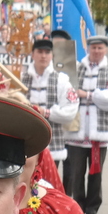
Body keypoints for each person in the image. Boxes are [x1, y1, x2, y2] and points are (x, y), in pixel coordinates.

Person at [63, 36, 108, 214]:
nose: (96, 51)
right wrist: (93, 97)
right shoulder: (76, 68)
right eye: (93, 47)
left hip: (98, 133)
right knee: (76, 172)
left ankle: (93, 208)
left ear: (106, 50)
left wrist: (87, 95)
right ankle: (78, 206)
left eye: (100, 48)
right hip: (76, 131)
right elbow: (69, 93)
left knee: (96, 173)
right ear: (87, 49)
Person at [24, 38, 78, 167]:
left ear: (52, 55)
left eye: (47, 52)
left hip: (53, 144)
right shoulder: (22, 78)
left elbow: (71, 111)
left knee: (50, 184)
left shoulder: (62, 80)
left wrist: (46, 112)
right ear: (33, 54)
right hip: (26, 143)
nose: (43, 56)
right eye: (40, 51)